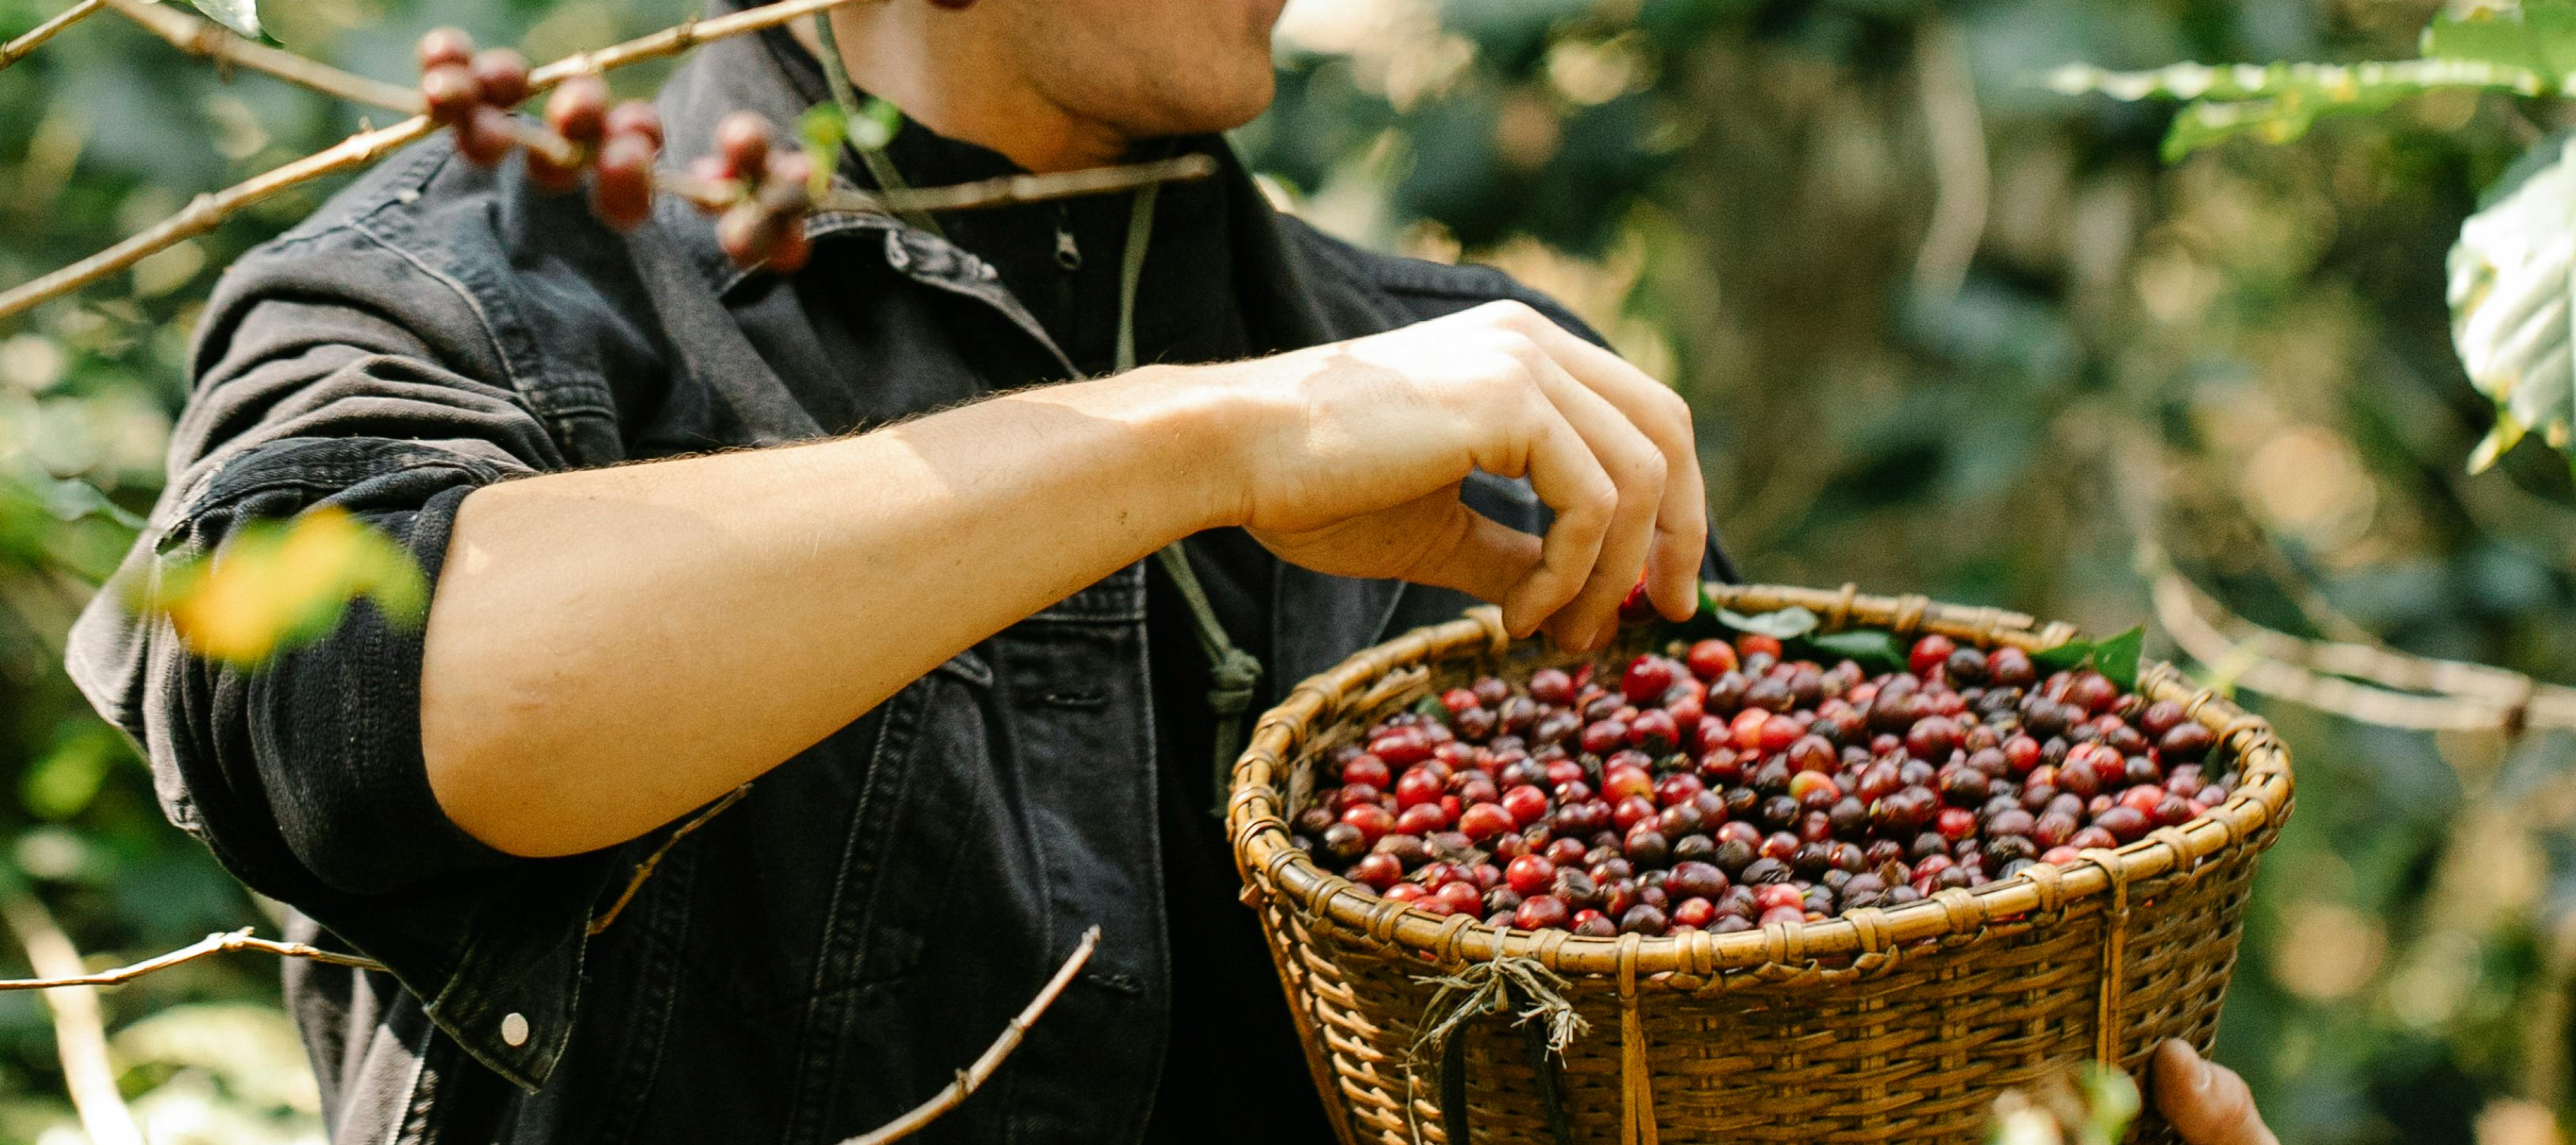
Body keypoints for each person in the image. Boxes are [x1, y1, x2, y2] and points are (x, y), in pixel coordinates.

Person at [62, 0, 2277, 1142]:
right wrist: (1204, 442)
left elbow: (1731, 1015)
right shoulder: (483, 294)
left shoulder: (1496, 399)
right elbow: (359, 715)